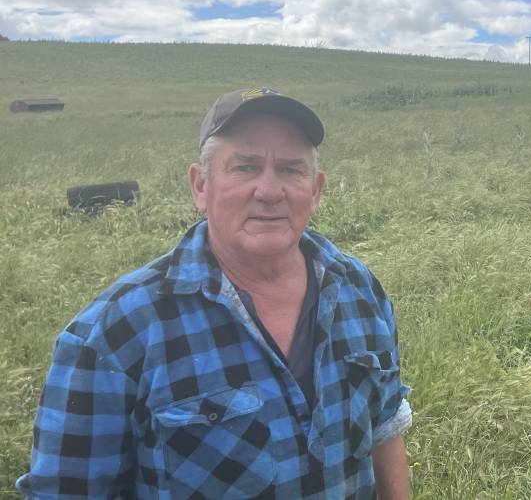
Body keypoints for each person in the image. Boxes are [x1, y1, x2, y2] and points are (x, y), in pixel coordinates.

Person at [17, 88, 412, 499]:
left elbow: (385, 426)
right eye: (245, 167)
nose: (269, 191)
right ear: (200, 186)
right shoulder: (115, 331)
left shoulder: (359, 288)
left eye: (292, 170)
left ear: (315, 190)